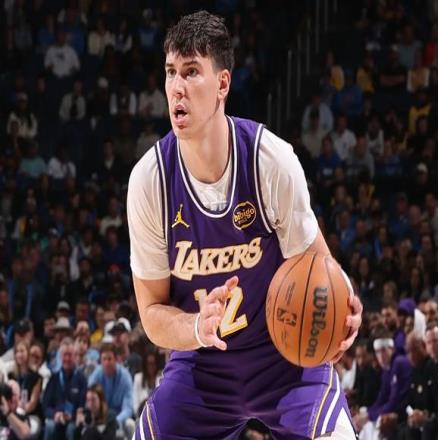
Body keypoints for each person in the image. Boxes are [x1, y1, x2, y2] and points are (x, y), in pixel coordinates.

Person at [127, 10, 362, 440]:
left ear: (222, 84)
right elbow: (152, 313)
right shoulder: (149, 180)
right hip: (201, 366)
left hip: (283, 359)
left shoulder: (270, 159)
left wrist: (346, 299)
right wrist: (196, 326)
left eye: (191, 72)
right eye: (171, 72)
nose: (177, 86)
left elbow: (318, 266)